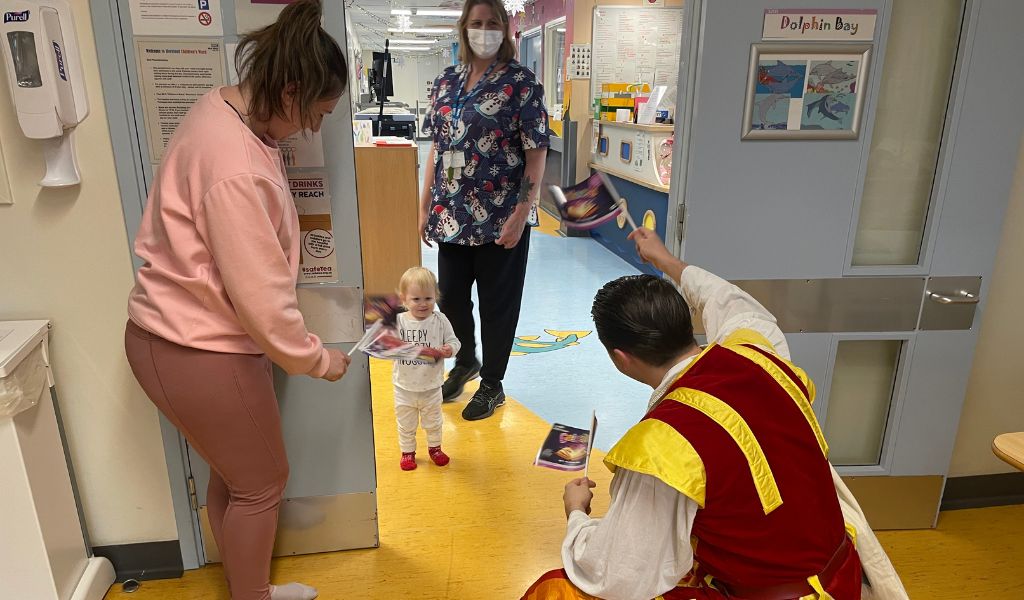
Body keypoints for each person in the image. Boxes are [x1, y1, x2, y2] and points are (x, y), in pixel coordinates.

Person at [122, 2, 349, 599]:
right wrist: (318, 359)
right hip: (195, 347)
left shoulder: (219, 109)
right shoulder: (238, 167)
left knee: (238, 476)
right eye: (317, 112)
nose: (312, 130)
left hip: (174, 338)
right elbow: (262, 299)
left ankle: (249, 589)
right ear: (291, 89)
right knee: (262, 484)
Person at [522, 228, 869, 600]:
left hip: (759, 594)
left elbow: (618, 573)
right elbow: (728, 300)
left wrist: (577, 515)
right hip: (839, 575)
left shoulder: (665, 443)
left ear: (619, 358)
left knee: (556, 590)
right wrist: (666, 260)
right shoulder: (760, 354)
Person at [419, 0, 550, 421]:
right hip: (451, 212)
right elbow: (436, 150)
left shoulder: (521, 84)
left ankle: (492, 383)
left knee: (498, 304)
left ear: (506, 29)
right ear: (463, 28)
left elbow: (536, 154)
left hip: (501, 217)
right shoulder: (445, 82)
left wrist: (521, 213)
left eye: (492, 23)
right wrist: (424, 206)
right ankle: (466, 361)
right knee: (451, 295)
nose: (484, 30)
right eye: (476, 23)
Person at [392, 267, 462, 470]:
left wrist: (450, 349)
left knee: (433, 422)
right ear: (404, 299)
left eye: (428, 298)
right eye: (416, 299)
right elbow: (388, 346)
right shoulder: (399, 322)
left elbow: (454, 341)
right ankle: (407, 452)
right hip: (403, 387)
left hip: (431, 387)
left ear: (436, 297)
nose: (423, 304)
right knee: (406, 424)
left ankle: (435, 448)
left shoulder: (440, 320)